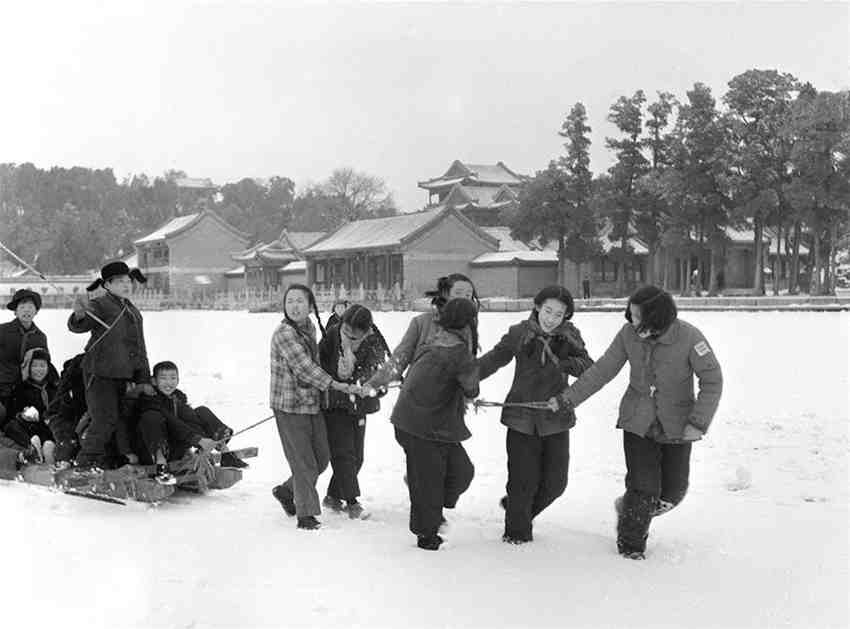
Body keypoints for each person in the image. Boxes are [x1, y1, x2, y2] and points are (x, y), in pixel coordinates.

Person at [551, 285, 723, 560]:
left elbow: (713, 381)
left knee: (673, 492)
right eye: (630, 314)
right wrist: (567, 399)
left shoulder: (690, 337)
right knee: (643, 487)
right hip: (637, 420)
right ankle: (631, 546)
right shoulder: (628, 335)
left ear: (657, 317)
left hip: (678, 425)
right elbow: (601, 371)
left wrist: (697, 423)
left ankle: (631, 508)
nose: (632, 321)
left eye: (638, 316)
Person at [478, 286, 593, 544]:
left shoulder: (570, 337)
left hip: (555, 419)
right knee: (522, 482)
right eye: (548, 310)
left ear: (566, 316)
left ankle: (518, 511)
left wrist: (566, 362)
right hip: (521, 417)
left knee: (556, 483)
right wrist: (467, 381)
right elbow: (494, 359)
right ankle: (516, 534)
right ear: (538, 306)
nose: (551, 318)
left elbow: (589, 368)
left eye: (559, 314)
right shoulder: (520, 333)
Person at [391, 298, 480, 551]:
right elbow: (471, 387)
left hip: (423, 422)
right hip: (420, 426)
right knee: (429, 482)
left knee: (460, 471)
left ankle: (428, 505)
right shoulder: (459, 352)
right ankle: (426, 535)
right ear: (469, 323)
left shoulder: (435, 340)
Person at [269, 283, 355, 530]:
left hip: (311, 404)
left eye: (299, 301)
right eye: (290, 301)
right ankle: (306, 515)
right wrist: (336, 385)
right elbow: (304, 368)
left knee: (321, 459)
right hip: (289, 407)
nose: (294, 306)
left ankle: (286, 490)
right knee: (303, 462)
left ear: (310, 305)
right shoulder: (284, 333)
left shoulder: (308, 328)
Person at [68, 261, 153, 468]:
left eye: (128, 281)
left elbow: (139, 347)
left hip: (124, 376)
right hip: (100, 374)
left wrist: (143, 378)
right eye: (120, 282)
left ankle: (110, 461)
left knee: (122, 421)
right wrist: (79, 314)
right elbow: (79, 325)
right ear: (107, 285)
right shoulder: (100, 304)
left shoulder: (131, 309)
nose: (126, 285)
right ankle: (84, 465)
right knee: (104, 420)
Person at [318, 305, 391, 520]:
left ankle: (333, 496)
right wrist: (336, 378)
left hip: (358, 405)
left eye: (356, 332)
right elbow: (319, 364)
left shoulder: (373, 340)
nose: (350, 335)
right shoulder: (332, 335)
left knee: (357, 457)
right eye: (347, 329)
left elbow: (378, 369)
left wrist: (364, 382)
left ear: (366, 329)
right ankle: (351, 502)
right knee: (343, 455)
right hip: (334, 403)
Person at [365, 273, 478, 392]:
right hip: (417, 397)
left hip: (450, 402)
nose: (463, 299)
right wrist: (374, 383)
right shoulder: (422, 323)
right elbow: (399, 359)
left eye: (468, 295)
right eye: (458, 293)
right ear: (445, 294)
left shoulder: (469, 328)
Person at [134, 361, 223, 483]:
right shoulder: (149, 400)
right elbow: (172, 422)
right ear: (154, 381)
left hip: (174, 448)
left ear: (178, 380)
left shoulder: (177, 398)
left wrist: (202, 440)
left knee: (200, 411)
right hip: (149, 452)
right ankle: (161, 465)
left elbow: (190, 420)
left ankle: (223, 448)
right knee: (152, 417)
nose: (168, 383)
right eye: (163, 378)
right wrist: (198, 440)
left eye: (172, 378)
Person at [0, 289, 48, 429]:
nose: (26, 311)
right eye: (22, 307)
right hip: (2, 388)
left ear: (36, 311)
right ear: (15, 311)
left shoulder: (40, 336)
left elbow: (43, 365)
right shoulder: (2, 331)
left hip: (26, 392)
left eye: (31, 307)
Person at [4, 348, 58, 465]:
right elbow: (11, 412)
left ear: (48, 367)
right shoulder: (21, 388)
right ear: (28, 367)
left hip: (49, 427)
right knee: (11, 426)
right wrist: (23, 414)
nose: (39, 370)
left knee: (52, 430)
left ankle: (46, 448)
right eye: (35, 366)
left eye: (42, 366)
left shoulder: (54, 388)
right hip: (29, 426)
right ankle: (35, 447)